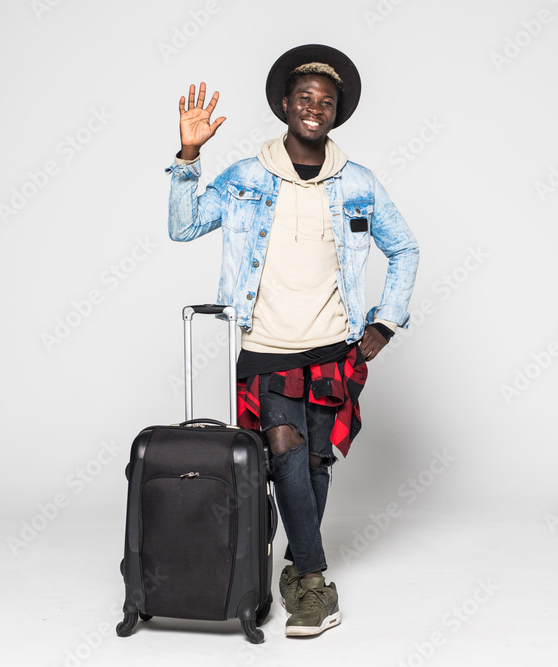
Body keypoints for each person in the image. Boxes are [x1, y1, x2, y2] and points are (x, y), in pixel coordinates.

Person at [166, 44, 419, 637]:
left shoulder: (358, 183)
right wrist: (188, 155)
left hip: (334, 348)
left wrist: (386, 322)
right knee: (283, 454)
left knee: (313, 462)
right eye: (304, 97)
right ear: (284, 104)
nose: (314, 108)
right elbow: (182, 227)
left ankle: (288, 566)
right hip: (267, 347)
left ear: (336, 114)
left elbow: (404, 247)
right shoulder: (248, 177)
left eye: (325, 102)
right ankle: (315, 582)